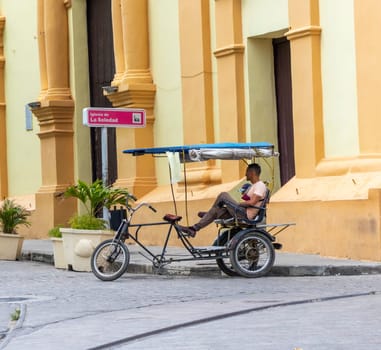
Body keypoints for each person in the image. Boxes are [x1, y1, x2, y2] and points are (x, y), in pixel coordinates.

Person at [178, 163, 267, 237]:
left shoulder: (260, 185)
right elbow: (249, 199)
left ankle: (207, 214)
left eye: (247, 172)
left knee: (223, 195)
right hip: (242, 211)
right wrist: (243, 196)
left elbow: (252, 202)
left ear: (252, 173)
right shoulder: (254, 186)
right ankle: (193, 229)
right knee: (215, 211)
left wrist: (238, 204)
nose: (245, 174)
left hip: (245, 214)